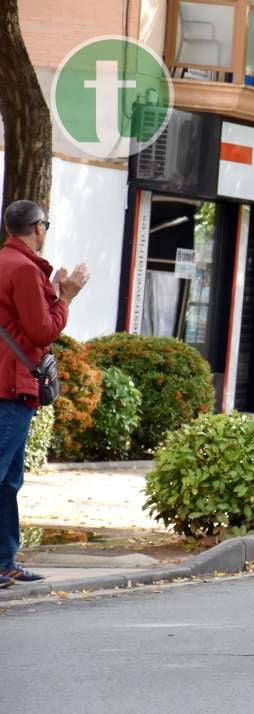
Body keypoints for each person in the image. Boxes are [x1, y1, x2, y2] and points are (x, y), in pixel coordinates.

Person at [0, 200, 89, 588]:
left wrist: (51, 295)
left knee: (9, 481)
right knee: (3, 477)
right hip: (10, 386)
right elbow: (41, 332)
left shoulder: (7, 262)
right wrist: (67, 298)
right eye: (45, 225)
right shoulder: (22, 268)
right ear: (37, 227)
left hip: (9, 383)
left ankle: (5, 563)